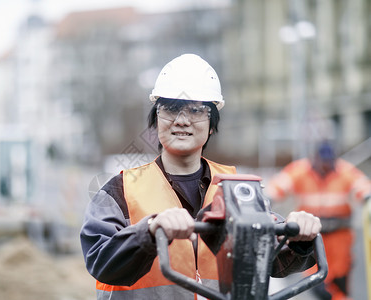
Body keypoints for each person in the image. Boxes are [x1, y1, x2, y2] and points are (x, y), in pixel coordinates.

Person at [80, 54, 322, 299]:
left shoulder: (238, 190)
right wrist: (150, 231)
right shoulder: (120, 190)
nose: (182, 121)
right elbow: (101, 262)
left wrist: (298, 238)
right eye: (170, 109)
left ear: (212, 123)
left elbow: (272, 258)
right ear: (155, 118)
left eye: (196, 110)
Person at [266, 141, 371, 300]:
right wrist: (265, 201)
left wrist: (367, 198)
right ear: (315, 158)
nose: (325, 166)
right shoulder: (300, 170)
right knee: (317, 280)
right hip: (312, 235)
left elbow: (363, 187)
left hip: (339, 235)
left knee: (340, 278)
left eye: (329, 162)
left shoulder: (345, 170)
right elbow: (277, 187)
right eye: (323, 161)